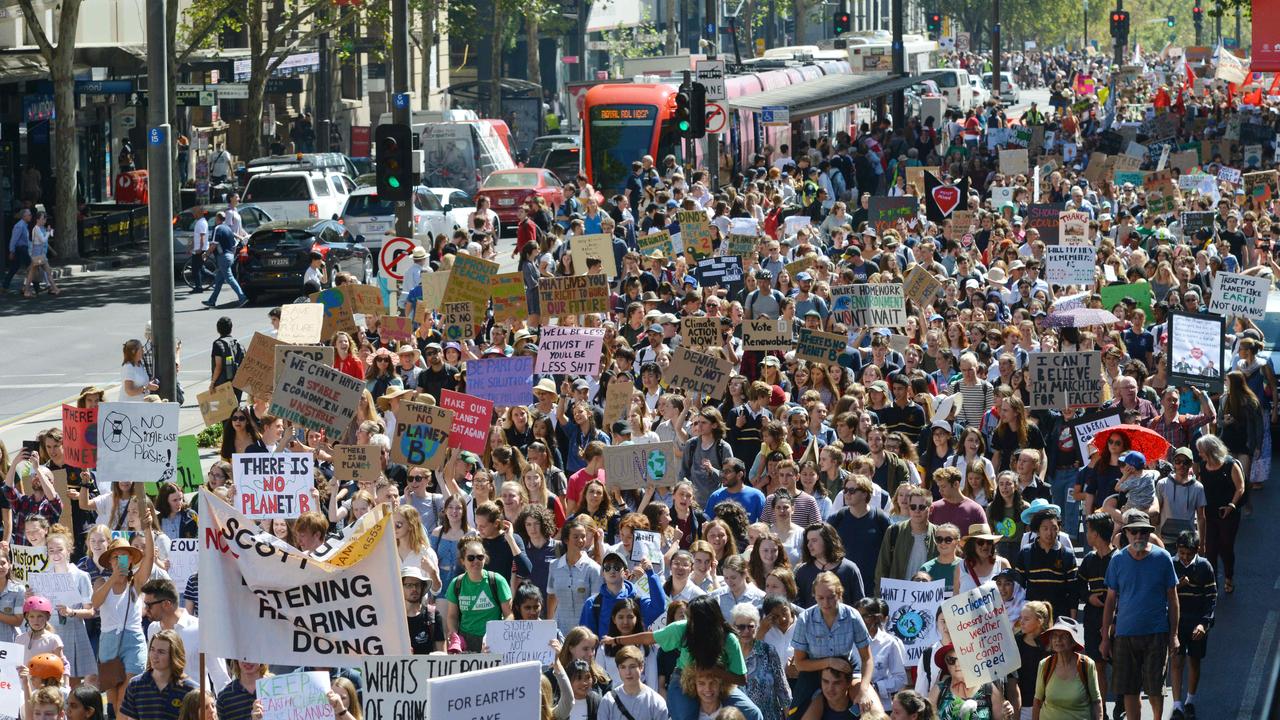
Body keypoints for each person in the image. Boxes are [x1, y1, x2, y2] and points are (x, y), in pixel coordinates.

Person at [605, 594, 763, 720]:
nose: (689, 621)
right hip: (683, 680)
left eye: (692, 618)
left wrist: (713, 671)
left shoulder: (728, 640)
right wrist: (616, 640)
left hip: (718, 684)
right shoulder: (683, 629)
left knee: (753, 714)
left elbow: (741, 679)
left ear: (705, 620)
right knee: (686, 716)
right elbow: (649, 638)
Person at [1100, 511, 1179, 720]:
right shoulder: (1117, 560)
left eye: (1143, 532)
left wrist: (1174, 635)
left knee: (1155, 688)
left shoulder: (1162, 558)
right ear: (1126, 533)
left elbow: (1173, 598)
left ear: (1149, 534)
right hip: (1125, 634)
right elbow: (1110, 601)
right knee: (1129, 688)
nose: (1138, 536)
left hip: (1156, 632)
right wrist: (1105, 638)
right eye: (1134, 532)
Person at [1170, 531, 1215, 720]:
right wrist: (1177, 586)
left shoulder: (1205, 567)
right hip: (1177, 623)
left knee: (1194, 662)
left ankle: (1190, 702)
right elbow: (1162, 594)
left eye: (1189, 554)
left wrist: (1204, 624)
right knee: (1177, 662)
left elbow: (1211, 598)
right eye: (1182, 553)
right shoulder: (1170, 565)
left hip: (1197, 623)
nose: (1185, 558)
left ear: (1197, 550)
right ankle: (1177, 705)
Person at [443, 537, 513, 652]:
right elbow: (452, 616)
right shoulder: (456, 583)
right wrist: (454, 635)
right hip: (466, 640)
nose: (476, 561)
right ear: (462, 561)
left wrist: (500, 635)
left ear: (485, 559)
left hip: (492, 640)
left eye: (480, 557)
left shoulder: (497, 581)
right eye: (470, 558)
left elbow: (509, 614)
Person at [1032, 617, 1102, 720]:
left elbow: (1096, 702)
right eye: (1055, 635)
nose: (1058, 640)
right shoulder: (1045, 664)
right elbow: (1037, 702)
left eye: (1064, 635)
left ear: (1073, 641)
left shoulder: (1086, 665)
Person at [119, 629, 199, 720]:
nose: (154, 655)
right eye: (152, 650)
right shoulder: (135, 685)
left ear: (174, 655)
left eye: (161, 652)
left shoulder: (191, 690)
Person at [731, 601, 790, 720]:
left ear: (757, 627)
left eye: (750, 626)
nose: (746, 631)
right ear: (733, 627)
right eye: (741, 627)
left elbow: (783, 690)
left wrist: (789, 716)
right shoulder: (728, 654)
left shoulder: (768, 651)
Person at [203, 211, 248, 307]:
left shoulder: (218, 228)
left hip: (223, 257)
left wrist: (206, 254)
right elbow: (234, 242)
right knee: (219, 280)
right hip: (230, 255)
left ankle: (242, 297)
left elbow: (214, 244)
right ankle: (211, 301)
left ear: (217, 219)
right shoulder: (227, 228)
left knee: (229, 278)